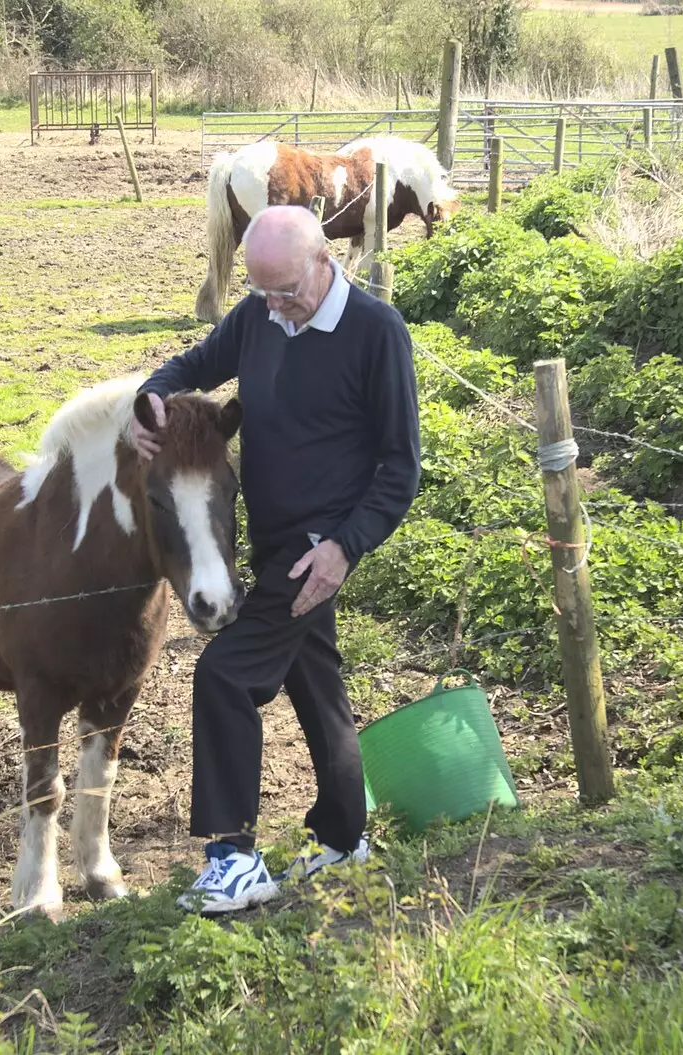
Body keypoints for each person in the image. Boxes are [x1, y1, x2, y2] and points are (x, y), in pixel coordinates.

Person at [131, 204, 421, 914]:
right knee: (316, 686)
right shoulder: (260, 314)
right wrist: (151, 399)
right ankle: (346, 835)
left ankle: (233, 855)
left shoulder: (375, 334)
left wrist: (344, 548)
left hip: (312, 552)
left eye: (286, 289)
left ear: (326, 259)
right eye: (262, 291)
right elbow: (194, 362)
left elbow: (400, 466)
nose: (275, 306)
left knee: (224, 676)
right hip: (269, 540)